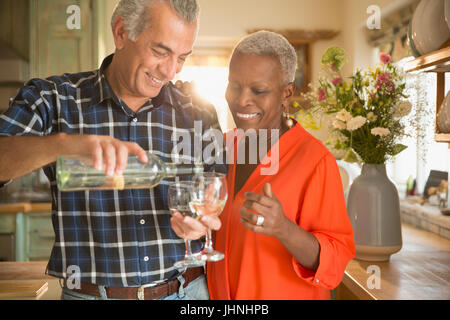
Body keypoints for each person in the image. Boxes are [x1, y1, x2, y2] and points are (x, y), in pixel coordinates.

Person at [0, 0, 226, 300]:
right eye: (160, 52)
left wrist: (202, 226)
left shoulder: (198, 111)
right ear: (121, 32)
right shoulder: (51, 98)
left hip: (187, 292)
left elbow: (217, 189)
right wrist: (63, 144)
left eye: (182, 57)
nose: (170, 70)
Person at [171, 31, 355, 300]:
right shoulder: (221, 148)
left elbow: (336, 262)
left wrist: (284, 228)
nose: (242, 100)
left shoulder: (314, 161)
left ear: (287, 92)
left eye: (259, 90)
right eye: (234, 86)